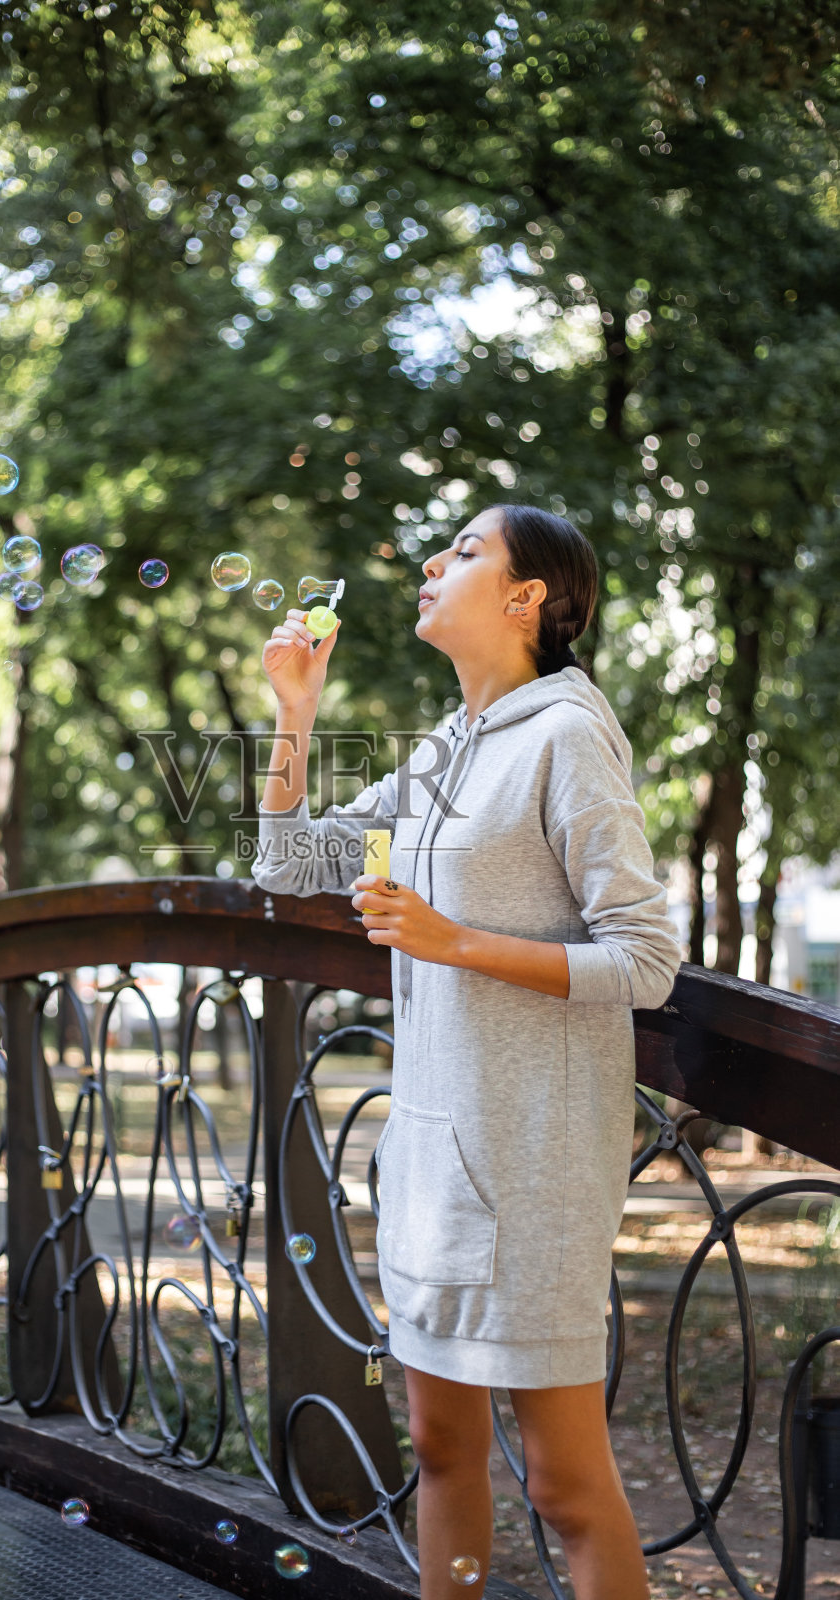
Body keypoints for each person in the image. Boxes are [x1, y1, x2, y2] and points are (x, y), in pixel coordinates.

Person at [251, 503, 682, 1600]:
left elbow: (643, 959)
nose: (433, 561)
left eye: (465, 549)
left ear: (526, 597)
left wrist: (454, 941)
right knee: (441, 1453)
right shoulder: (446, 750)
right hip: (436, 1156)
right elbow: (290, 861)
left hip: (531, 1158)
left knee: (560, 1487)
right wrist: (293, 715)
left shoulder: (566, 733)